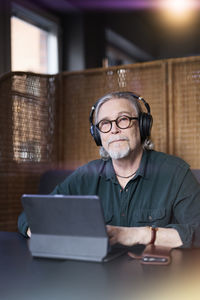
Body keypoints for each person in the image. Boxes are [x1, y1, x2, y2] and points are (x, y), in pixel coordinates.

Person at [18, 91, 200, 248]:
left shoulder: (176, 173)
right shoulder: (85, 176)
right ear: (98, 135)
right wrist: (38, 228)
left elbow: (197, 232)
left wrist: (138, 235)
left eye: (123, 119)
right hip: (94, 278)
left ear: (142, 126)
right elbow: (29, 216)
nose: (114, 130)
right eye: (105, 123)